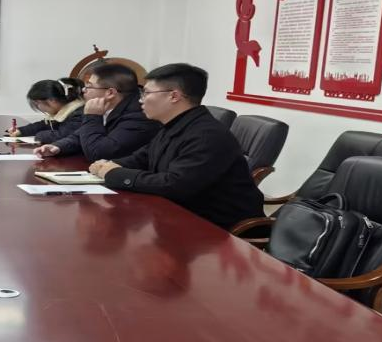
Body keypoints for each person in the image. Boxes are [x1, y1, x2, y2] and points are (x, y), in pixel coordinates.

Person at [89, 63, 265, 230]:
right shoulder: (174, 125)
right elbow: (143, 157)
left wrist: (115, 173)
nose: (140, 100)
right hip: (183, 215)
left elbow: (174, 185)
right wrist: (108, 165)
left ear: (174, 96)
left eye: (146, 93)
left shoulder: (206, 135)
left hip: (220, 230)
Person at [35, 62, 159, 161]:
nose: (83, 90)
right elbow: (80, 135)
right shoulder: (108, 107)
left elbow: (98, 153)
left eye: (89, 86)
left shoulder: (139, 116)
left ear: (110, 92)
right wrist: (58, 147)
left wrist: (92, 117)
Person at [6, 78, 86, 145]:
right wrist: (21, 131)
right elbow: (43, 125)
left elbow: (61, 136)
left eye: (37, 103)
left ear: (52, 100)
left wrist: (39, 136)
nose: (38, 107)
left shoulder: (77, 115)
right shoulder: (60, 112)